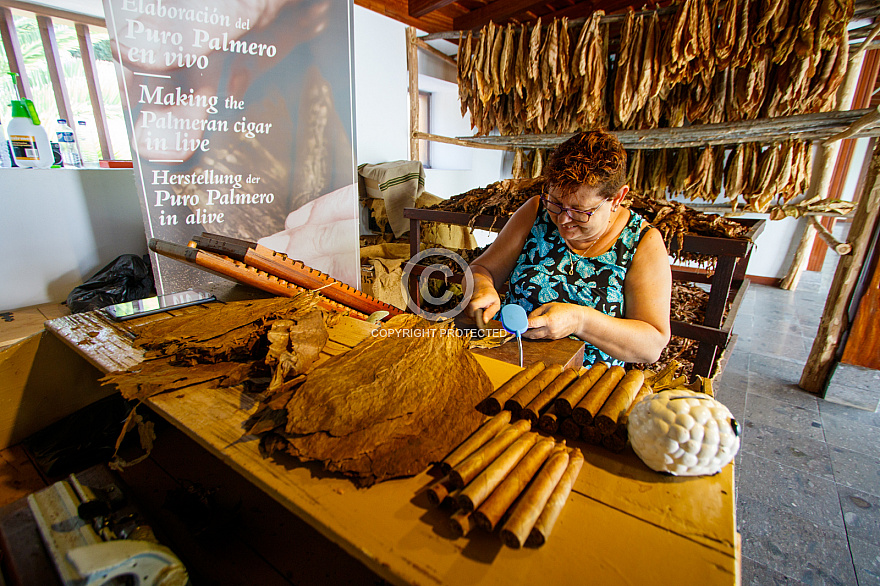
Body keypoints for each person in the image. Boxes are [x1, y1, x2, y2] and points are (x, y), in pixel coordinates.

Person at [466, 130, 671, 366]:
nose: (563, 220)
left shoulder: (642, 242)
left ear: (616, 198)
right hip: (512, 360)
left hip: (587, 385)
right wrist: (482, 287)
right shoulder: (536, 212)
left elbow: (651, 346)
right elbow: (482, 268)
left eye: (580, 211)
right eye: (556, 203)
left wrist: (579, 321)